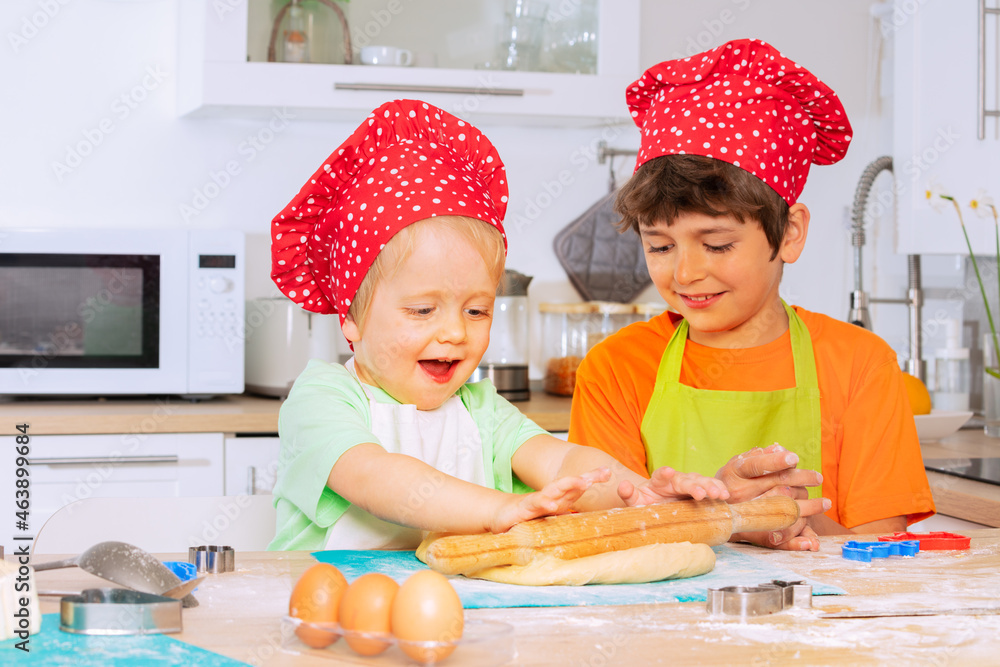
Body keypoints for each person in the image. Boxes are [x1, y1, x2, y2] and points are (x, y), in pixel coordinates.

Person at [266, 99, 740, 551]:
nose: (455, 333)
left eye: (476, 311)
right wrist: (499, 509)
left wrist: (640, 494)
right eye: (422, 310)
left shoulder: (480, 410)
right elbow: (379, 477)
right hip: (335, 614)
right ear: (350, 318)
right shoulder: (323, 399)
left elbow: (563, 462)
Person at [569, 39, 935, 550]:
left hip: (823, 624)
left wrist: (769, 517)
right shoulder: (616, 369)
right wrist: (727, 518)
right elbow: (605, 531)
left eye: (717, 244)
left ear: (789, 234)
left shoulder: (860, 366)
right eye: (660, 245)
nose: (686, 273)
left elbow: (879, 550)